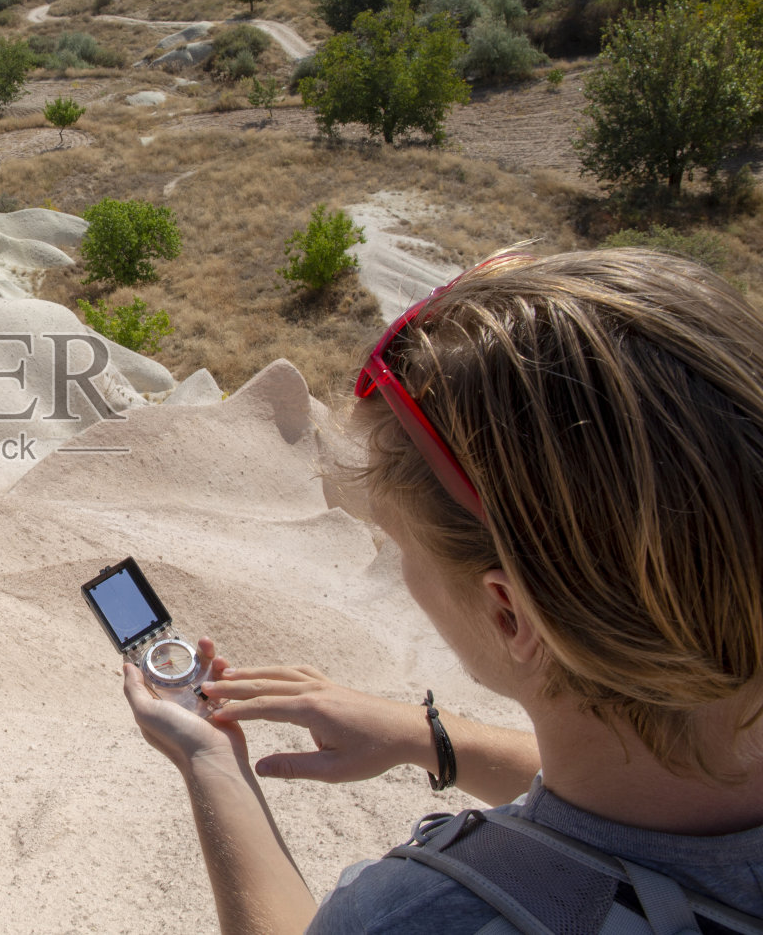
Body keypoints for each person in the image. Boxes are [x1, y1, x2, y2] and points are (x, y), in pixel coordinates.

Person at [123, 249, 763, 934]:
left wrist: (212, 764)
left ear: (509, 614)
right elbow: (652, 798)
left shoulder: (417, 916)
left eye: (401, 546)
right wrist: (426, 735)